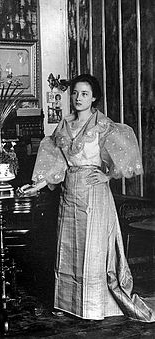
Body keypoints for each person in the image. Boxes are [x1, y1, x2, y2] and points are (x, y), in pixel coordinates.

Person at [21, 74, 155, 322]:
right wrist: (37, 185)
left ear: (94, 97)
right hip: (69, 192)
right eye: (75, 93)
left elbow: (124, 156)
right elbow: (57, 165)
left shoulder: (103, 125)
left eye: (84, 93)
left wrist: (108, 176)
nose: (78, 98)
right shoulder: (64, 125)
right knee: (68, 247)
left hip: (94, 193)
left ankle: (92, 306)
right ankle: (67, 303)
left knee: (93, 249)